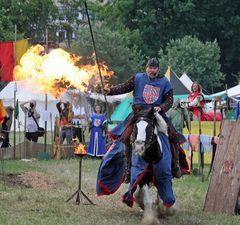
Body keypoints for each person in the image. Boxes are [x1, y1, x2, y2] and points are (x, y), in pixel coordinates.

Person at [103, 58, 178, 210]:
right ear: (146, 68)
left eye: (155, 68)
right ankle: (129, 169)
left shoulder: (165, 82)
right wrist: (110, 90)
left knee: (172, 135)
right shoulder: (137, 78)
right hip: (138, 113)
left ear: (158, 69)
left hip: (155, 114)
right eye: (150, 67)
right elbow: (124, 87)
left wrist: (161, 107)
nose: (152, 70)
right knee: (125, 137)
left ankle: (174, 165)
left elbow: (169, 101)